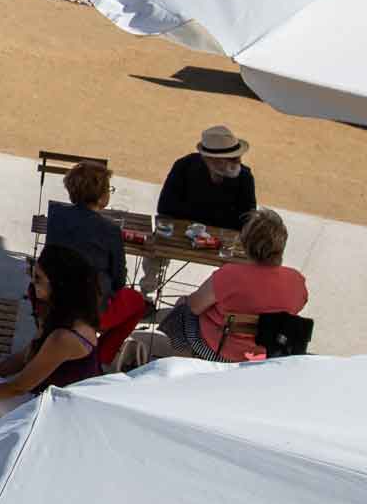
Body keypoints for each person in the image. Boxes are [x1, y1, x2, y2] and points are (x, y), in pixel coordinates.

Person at [0, 244, 102, 464]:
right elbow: (23, 357)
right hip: (43, 401)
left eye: (38, 278)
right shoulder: (61, 317)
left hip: (55, 415)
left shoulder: (64, 336)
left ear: (58, 284)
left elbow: (19, 385)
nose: (32, 283)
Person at [160, 207, 309, 362]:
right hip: (264, 354)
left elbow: (195, 306)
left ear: (246, 244)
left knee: (182, 308)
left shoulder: (229, 275)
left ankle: (180, 364)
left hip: (218, 350)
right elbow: (296, 307)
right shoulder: (296, 281)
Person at [145, 124, 258, 297]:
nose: (238, 162)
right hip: (182, 234)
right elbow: (165, 207)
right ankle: (148, 295)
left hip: (224, 241)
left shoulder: (244, 176)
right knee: (155, 248)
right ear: (211, 159)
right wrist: (217, 218)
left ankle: (226, 303)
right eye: (232, 158)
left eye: (238, 157)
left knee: (244, 263)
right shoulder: (184, 166)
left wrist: (198, 218)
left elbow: (247, 219)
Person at [44, 159, 127, 307]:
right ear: (101, 195)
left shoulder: (56, 214)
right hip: (90, 305)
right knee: (136, 302)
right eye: (108, 189)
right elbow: (119, 280)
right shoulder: (111, 231)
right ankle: (104, 331)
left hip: (54, 295)